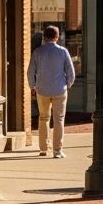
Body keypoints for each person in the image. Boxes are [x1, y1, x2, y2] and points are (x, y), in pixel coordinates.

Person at [27, 25, 75, 158]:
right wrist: (68, 85)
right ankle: (57, 150)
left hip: (42, 90)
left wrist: (33, 86)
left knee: (43, 118)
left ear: (44, 37)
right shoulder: (63, 52)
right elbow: (71, 72)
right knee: (59, 119)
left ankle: (43, 148)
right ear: (57, 37)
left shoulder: (38, 52)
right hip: (60, 90)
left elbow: (31, 71)